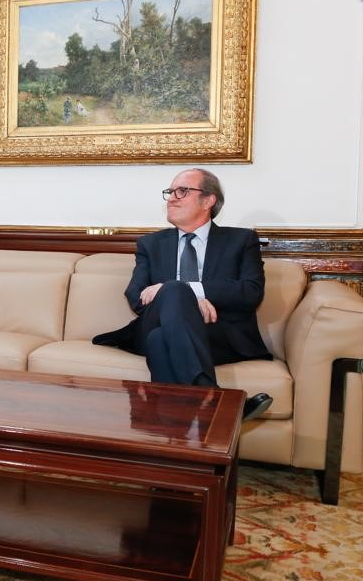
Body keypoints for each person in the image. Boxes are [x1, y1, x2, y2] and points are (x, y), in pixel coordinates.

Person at [92, 168, 273, 422]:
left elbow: (251, 291)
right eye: (170, 192)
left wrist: (190, 290)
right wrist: (180, 296)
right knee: (175, 291)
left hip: (216, 334)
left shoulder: (241, 240)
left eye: (182, 191)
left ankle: (169, 433)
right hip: (155, 320)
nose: (172, 198)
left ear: (209, 200)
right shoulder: (151, 244)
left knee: (160, 339)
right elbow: (135, 295)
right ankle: (216, 396)